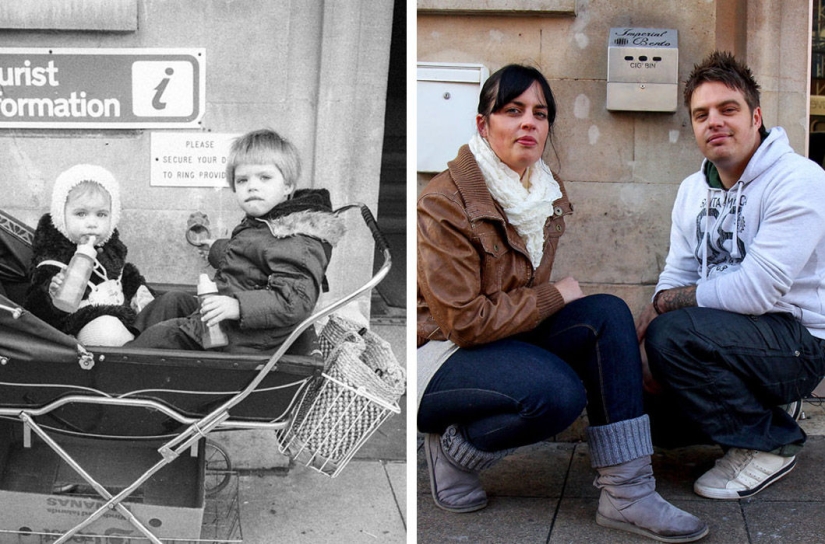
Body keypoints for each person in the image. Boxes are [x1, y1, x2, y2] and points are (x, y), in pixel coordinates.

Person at [417, 64, 708, 542]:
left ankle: (627, 494)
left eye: (540, 113)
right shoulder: (443, 202)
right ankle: (454, 450)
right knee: (559, 394)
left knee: (608, 314)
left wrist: (553, 301)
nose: (529, 122)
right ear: (482, 124)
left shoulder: (542, 191)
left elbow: (521, 300)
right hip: (441, 353)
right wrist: (554, 296)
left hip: (506, 335)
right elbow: (462, 322)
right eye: (513, 111)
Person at [636, 51, 825, 500]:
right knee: (643, 401)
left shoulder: (799, 179)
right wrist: (646, 339)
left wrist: (661, 309)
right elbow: (677, 269)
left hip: (798, 340)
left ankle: (770, 442)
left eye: (728, 109)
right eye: (701, 114)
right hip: (728, 336)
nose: (714, 122)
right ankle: (752, 412)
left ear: (756, 116)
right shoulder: (691, 190)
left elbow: (757, 290)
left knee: (672, 337)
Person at [125, 128, 345, 353]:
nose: (252, 186)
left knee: (166, 335)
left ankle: (122, 363)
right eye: (242, 180)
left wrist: (237, 306)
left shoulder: (297, 238)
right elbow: (246, 257)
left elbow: (295, 300)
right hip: (234, 318)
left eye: (264, 177)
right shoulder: (265, 224)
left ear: (287, 186)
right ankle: (127, 343)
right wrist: (214, 248)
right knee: (171, 301)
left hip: (249, 337)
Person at [26, 164, 154, 346]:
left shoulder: (111, 252)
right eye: (81, 214)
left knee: (169, 303)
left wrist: (140, 293)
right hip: (82, 326)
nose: (92, 223)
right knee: (106, 330)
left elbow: (127, 278)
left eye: (101, 215)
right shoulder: (54, 260)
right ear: (61, 215)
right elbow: (34, 310)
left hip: (124, 317)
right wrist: (51, 295)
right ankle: (137, 355)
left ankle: (153, 350)